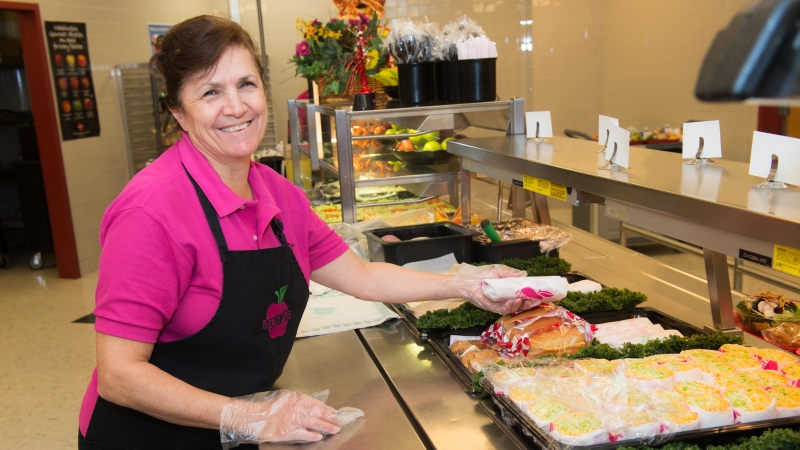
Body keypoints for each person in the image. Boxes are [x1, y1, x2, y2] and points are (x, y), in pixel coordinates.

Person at [78, 15, 528, 450]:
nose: (235, 107)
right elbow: (120, 375)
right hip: (149, 437)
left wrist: (463, 283)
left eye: (246, 84)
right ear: (178, 111)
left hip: (242, 427)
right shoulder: (151, 212)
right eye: (210, 92)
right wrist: (248, 418)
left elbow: (363, 278)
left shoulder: (278, 195)